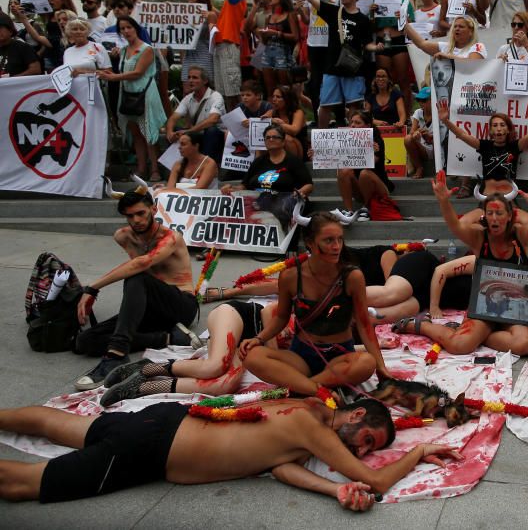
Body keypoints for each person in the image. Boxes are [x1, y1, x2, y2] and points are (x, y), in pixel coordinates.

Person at [0, 395, 462, 506]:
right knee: (21, 483)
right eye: (368, 443)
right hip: (153, 448)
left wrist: (332, 491)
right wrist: (418, 454)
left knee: (52, 423)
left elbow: (278, 466)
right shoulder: (314, 429)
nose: (361, 456)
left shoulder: (306, 415)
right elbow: (379, 483)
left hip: (165, 420)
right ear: (357, 416)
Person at [393, 172, 528, 356]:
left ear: (509, 217)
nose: (495, 218)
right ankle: (421, 326)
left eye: (499, 213)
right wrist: (443, 201)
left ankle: (481, 336)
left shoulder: (520, 235)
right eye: (490, 213)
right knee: (459, 346)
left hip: (515, 309)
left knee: (526, 345)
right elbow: (456, 226)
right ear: (485, 217)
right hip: (485, 307)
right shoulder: (479, 237)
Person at [239, 213, 391, 395]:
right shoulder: (290, 276)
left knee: (367, 363)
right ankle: (316, 389)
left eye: (340, 239)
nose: (336, 247)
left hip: (340, 357)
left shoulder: (352, 276)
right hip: (301, 356)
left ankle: (304, 386)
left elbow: (364, 323)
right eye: (328, 240)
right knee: (252, 355)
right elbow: (281, 317)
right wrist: (258, 339)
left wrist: (381, 366)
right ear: (310, 243)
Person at [72, 187, 200, 390]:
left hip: (180, 306)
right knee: (84, 341)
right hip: (149, 308)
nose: (136, 220)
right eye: (130, 216)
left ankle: (117, 354)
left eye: (141, 213)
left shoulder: (171, 238)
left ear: (154, 209)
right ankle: (169, 337)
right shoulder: (123, 236)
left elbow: (141, 264)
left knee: (137, 277)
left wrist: (92, 288)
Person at [99, 301, 282, 405]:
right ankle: (148, 368)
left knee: (223, 386)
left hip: (248, 347)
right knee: (215, 366)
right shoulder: (303, 295)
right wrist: (273, 352)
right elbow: (269, 313)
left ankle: (139, 388)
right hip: (238, 317)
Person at [295, 0, 379, 130]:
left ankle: (353, 136)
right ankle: (322, 138)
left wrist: (375, 48)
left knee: (354, 105)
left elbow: (367, 43)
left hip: (353, 68)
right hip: (332, 67)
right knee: (325, 105)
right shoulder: (333, 12)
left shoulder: (363, 20)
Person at [98, 16, 166, 181]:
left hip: (144, 94)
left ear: (136, 28)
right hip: (128, 94)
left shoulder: (147, 49)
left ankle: (155, 169)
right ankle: (141, 169)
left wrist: (114, 77)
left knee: (148, 133)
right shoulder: (122, 50)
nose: (126, 31)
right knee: (136, 133)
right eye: (122, 28)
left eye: (129, 27)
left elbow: (138, 73)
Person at [436, 102, 528, 195]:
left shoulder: (515, 146)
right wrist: (446, 121)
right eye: (495, 126)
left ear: (508, 130)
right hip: (487, 195)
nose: (499, 129)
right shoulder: (484, 146)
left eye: (502, 125)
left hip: (508, 194)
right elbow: (462, 135)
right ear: (490, 131)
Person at [197, 0, 246, 110]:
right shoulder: (227, 3)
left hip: (228, 47)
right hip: (219, 47)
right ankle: (229, 125)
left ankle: (240, 124)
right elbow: (215, 15)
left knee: (232, 91)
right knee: (223, 92)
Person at [336, 110, 394, 221]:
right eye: (351, 122)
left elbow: (370, 164)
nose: (353, 125)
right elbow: (336, 159)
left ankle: (367, 209)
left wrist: (373, 152)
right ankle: (349, 211)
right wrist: (319, 153)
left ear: (368, 125)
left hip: (379, 189)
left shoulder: (377, 141)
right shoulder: (345, 141)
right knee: (343, 171)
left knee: (364, 173)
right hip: (359, 189)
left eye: (358, 123)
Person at [165, 66, 226, 163]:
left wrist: (189, 131)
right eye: (189, 77)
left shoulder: (216, 96)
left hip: (216, 136)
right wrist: (169, 133)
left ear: (205, 81)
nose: (190, 81)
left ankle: (206, 165)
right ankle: (175, 166)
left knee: (211, 131)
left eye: (195, 78)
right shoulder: (188, 98)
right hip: (197, 134)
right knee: (176, 130)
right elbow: (173, 118)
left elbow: (212, 120)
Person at [373, 0, 414, 112]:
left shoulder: (403, 2)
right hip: (382, 42)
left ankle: (407, 115)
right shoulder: (376, 2)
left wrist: (402, 17)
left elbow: (411, 24)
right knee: (384, 80)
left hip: (398, 41)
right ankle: (387, 114)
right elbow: (370, 26)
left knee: (403, 80)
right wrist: (372, 13)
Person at [301, 0, 336, 108]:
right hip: (314, 43)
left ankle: (339, 116)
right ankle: (317, 117)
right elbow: (308, 19)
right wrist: (299, 10)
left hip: (331, 42)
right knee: (316, 82)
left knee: (333, 80)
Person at [257, 0, 299, 96]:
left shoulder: (290, 15)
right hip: (267, 53)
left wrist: (276, 33)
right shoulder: (269, 17)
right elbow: (265, 41)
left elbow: (295, 37)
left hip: (283, 53)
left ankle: (289, 110)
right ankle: (273, 111)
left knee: (285, 89)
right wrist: (263, 35)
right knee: (270, 89)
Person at [262, 84, 308, 158]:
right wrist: (250, 123)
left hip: (299, 148)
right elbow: (260, 122)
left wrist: (278, 123)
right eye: (273, 96)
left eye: (278, 97)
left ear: (287, 99)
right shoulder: (271, 112)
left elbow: (294, 130)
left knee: (286, 138)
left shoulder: (298, 112)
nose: (274, 99)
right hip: (278, 147)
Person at [181, 0, 216, 83]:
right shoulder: (185, 14)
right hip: (189, 56)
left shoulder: (211, 14)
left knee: (203, 86)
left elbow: (213, 37)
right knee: (187, 89)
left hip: (204, 54)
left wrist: (208, 18)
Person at [0, 13, 42, 77]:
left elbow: (36, 70)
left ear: (10, 30)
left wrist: (12, 79)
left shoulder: (23, 47)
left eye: (0, 28)